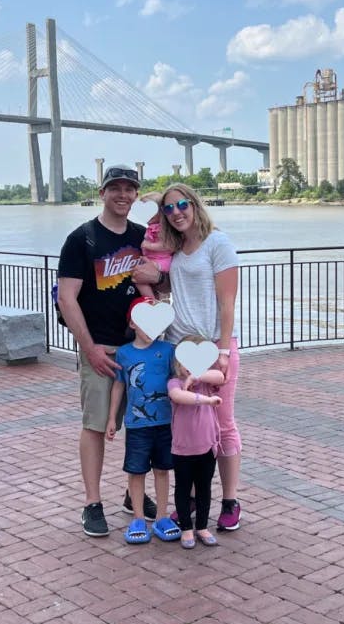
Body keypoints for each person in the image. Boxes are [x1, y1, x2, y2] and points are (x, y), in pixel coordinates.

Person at [56, 164, 161, 537]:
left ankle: (135, 495)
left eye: (130, 189)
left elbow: (159, 281)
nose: (123, 195)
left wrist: (159, 278)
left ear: (136, 194)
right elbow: (67, 299)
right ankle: (92, 502)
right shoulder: (81, 239)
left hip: (141, 347)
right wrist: (90, 349)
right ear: (102, 192)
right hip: (100, 345)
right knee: (96, 424)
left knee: (143, 422)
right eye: (115, 188)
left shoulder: (143, 237)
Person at [158, 182, 244, 531]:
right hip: (181, 349)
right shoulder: (177, 249)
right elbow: (172, 289)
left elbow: (227, 302)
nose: (176, 212)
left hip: (213, 346)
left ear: (194, 205)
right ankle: (191, 499)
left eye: (182, 204)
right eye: (168, 208)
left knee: (221, 424)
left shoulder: (218, 243)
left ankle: (230, 500)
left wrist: (223, 350)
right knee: (187, 426)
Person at [105, 298, 182, 544]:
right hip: (137, 426)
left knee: (162, 469)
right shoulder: (124, 353)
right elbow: (119, 386)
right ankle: (138, 517)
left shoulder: (168, 351)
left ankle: (161, 516)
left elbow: (178, 382)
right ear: (133, 323)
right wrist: (111, 418)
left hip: (164, 423)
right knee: (136, 471)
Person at [167, 342, 224, 548]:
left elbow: (220, 377)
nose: (190, 367)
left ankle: (202, 526)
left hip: (208, 446)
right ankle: (186, 529)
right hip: (183, 448)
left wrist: (197, 376)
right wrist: (206, 401)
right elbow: (179, 396)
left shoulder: (206, 382)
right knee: (182, 488)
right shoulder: (175, 382)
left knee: (204, 488)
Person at [135, 191, 173, 301]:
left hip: (162, 261)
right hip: (153, 260)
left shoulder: (162, 228)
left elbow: (168, 245)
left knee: (138, 278)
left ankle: (152, 301)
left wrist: (148, 245)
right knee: (139, 278)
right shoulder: (151, 227)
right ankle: (153, 299)